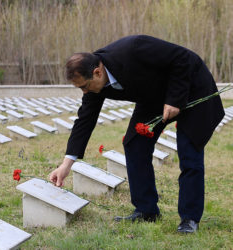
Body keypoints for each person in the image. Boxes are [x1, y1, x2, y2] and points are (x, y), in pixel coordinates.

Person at [49, 35, 225, 233]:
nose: (84, 92)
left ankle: (189, 218)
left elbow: (182, 58)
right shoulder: (93, 85)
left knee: (189, 150)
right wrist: (66, 165)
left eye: (83, 86)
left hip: (193, 88)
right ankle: (146, 210)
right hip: (154, 97)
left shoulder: (133, 49)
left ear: (97, 72)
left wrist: (175, 99)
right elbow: (85, 120)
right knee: (134, 144)